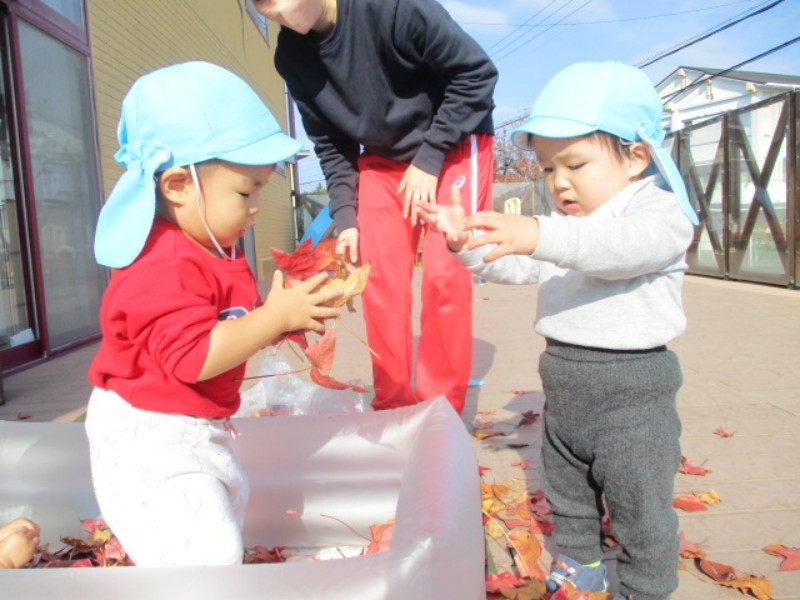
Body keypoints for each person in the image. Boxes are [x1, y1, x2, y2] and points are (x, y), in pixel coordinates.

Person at [421, 61, 698, 600]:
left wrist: (539, 233)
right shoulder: (565, 228)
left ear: (636, 156)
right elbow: (519, 263)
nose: (559, 181)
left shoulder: (659, 213)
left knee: (640, 502)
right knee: (566, 486)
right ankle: (581, 561)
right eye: (548, 168)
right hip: (565, 381)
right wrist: (466, 244)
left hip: (633, 391)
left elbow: (617, 250)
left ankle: (646, 587)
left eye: (575, 163)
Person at [85, 61, 341, 567]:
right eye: (246, 192)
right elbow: (195, 358)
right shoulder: (162, 263)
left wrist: (285, 315)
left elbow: (230, 326)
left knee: (221, 517)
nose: (255, 207)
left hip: (190, 421)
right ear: (179, 185)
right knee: (206, 553)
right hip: (148, 432)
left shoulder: (212, 245)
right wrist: (272, 319)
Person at [252, 0, 498, 414]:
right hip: (384, 158)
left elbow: (477, 74)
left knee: (445, 277)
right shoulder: (291, 56)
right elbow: (331, 143)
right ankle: (394, 403)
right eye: (263, 8)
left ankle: (440, 411)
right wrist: (346, 216)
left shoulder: (391, 8)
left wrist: (430, 157)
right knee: (378, 279)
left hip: (453, 141)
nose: (275, 14)